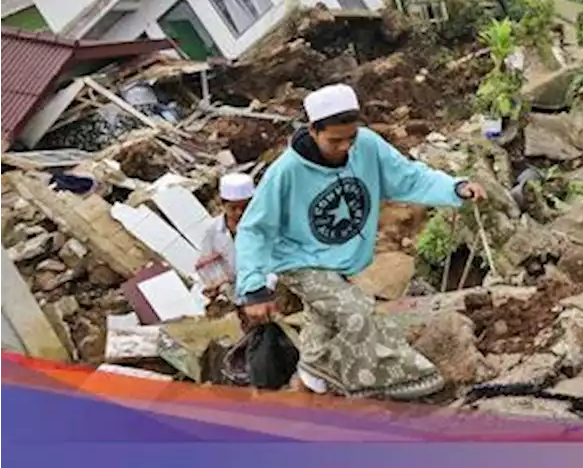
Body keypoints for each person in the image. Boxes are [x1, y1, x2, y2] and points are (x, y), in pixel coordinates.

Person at [234, 83, 487, 400]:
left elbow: (407, 177)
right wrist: (253, 287)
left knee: (322, 326)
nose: (345, 148)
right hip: (299, 261)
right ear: (313, 130)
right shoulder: (285, 172)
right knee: (355, 312)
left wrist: (455, 188)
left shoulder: (367, 146)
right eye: (334, 140)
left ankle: (303, 392)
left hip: (341, 259)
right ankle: (403, 379)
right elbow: (255, 228)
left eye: (350, 138)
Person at [196, 173, 256, 304]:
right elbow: (206, 263)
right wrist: (216, 282)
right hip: (229, 292)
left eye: (244, 208)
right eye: (233, 208)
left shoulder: (261, 227)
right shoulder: (212, 230)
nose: (239, 213)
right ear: (223, 205)